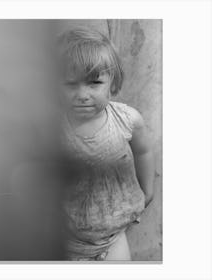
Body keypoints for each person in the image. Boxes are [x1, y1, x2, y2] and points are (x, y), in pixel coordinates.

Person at [56, 27, 155, 261]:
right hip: (67, 239)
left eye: (94, 83)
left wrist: (147, 190)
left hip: (114, 236)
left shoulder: (128, 119)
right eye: (71, 84)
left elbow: (143, 151)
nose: (82, 94)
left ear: (113, 83)